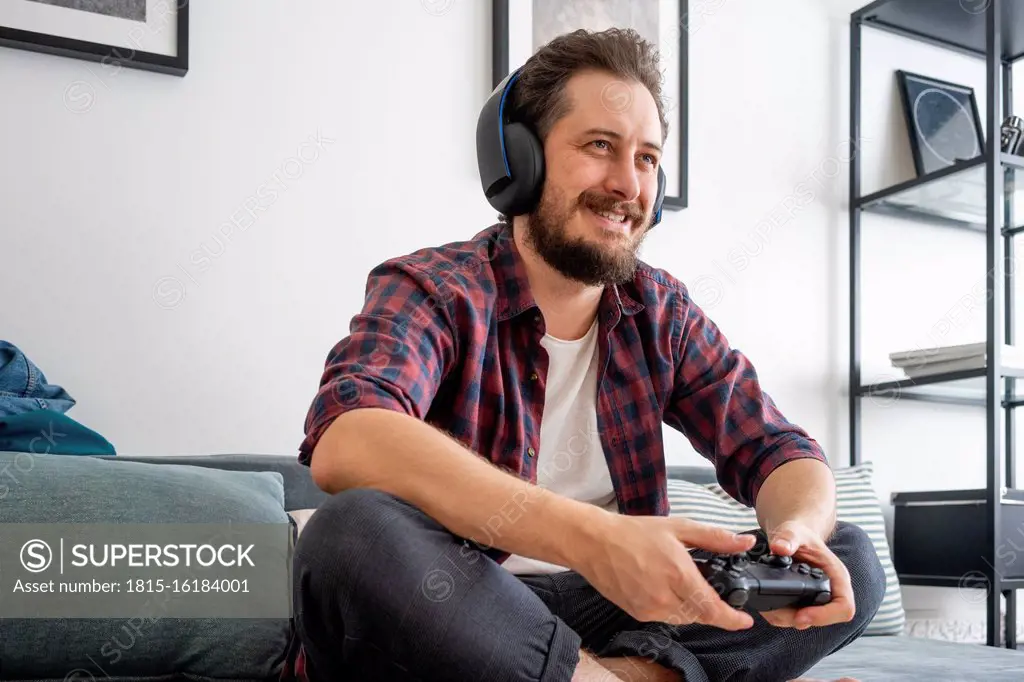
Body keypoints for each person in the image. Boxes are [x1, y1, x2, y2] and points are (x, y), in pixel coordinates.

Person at [290, 27, 885, 682]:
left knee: (848, 554)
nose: (629, 184)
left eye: (648, 158)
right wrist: (596, 541)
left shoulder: (662, 312)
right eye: (601, 146)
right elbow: (350, 438)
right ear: (519, 161)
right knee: (352, 535)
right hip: (467, 603)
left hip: (616, 615)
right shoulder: (436, 287)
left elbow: (778, 450)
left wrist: (795, 536)